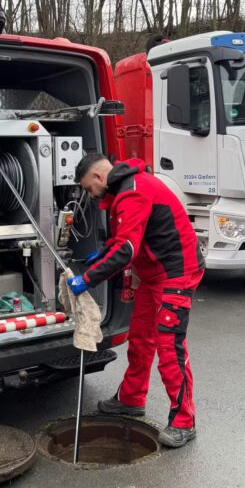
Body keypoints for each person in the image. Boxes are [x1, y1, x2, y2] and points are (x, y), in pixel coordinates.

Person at [67, 152, 205, 448]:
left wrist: (87, 280)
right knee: (141, 336)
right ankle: (131, 399)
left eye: (89, 189)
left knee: (169, 345)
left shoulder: (133, 192)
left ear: (98, 177)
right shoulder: (126, 189)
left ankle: (184, 421)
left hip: (177, 273)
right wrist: (101, 254)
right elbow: (123, 241)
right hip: (157, 274)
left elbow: (126, 251)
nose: (91, 196)